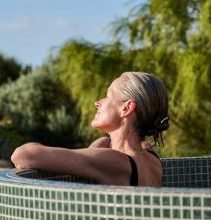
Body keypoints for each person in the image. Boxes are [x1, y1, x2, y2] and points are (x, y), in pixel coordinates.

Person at [10, 71, 169, 186]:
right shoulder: (150, 155)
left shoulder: (116, 162)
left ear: (126, 108)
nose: (98, 102)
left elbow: (24, 155)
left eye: (108, 95)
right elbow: (105, 148)